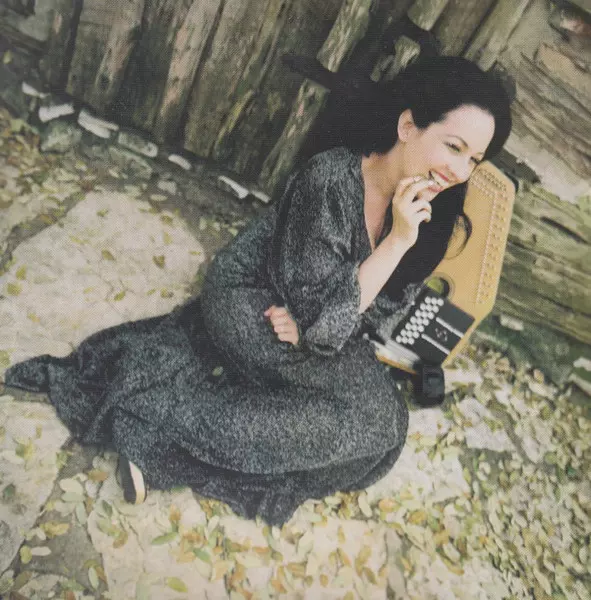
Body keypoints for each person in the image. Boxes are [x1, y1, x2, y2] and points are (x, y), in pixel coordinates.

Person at [3, 56, 512, 526]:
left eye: (474, 159)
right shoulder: (330, 181)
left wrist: (329, 320)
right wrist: (393, 246)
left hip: (313, 323)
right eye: (453, 147)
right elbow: (321, 322)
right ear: (408, 126)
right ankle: (150, 416)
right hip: (254, 299)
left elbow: (376, 312)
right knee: (367, 421)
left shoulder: (432, 208)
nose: (459, 171)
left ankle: (175, 444)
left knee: (382, 439)